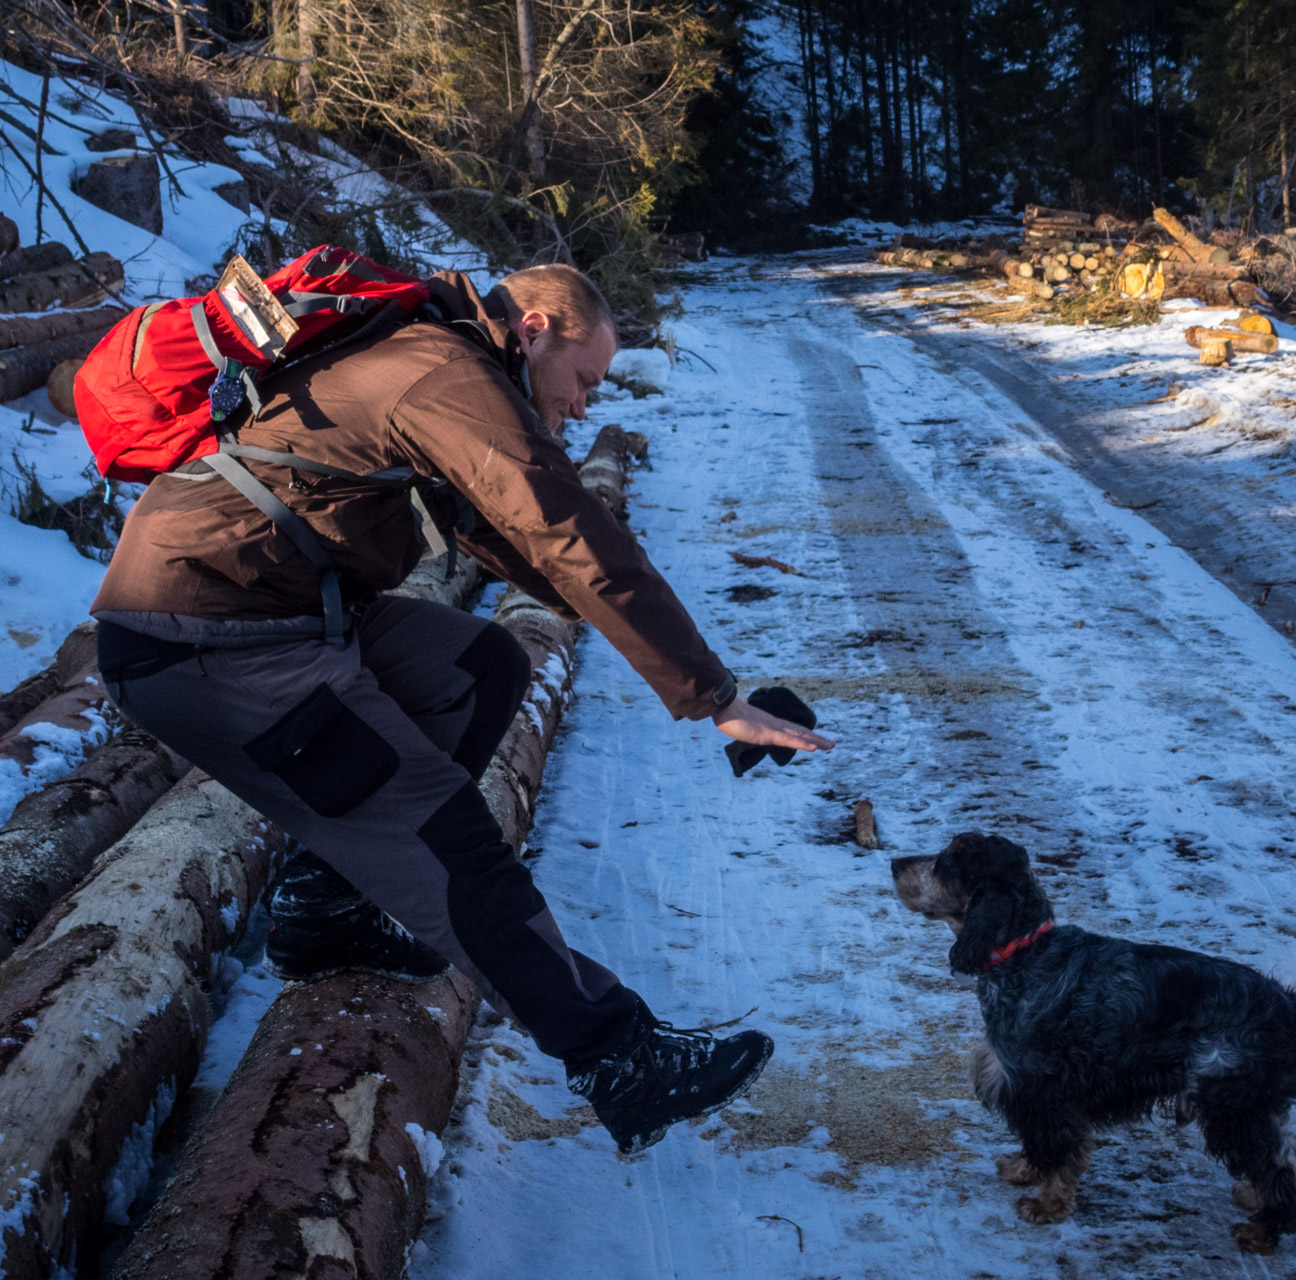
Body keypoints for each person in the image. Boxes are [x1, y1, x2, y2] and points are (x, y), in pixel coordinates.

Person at [89, 261, 832, 1155]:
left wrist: (677, 671)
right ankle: (616, 1056)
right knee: (450, 839)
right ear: (537, 328)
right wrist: (712, 696)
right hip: (209, 641)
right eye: (584, 379)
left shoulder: (436, 357)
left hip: (276, 615)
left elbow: (514, 537)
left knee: (478, 665)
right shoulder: (444, 372)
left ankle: (329, 906)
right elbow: (563, 526)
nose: (586, 405)